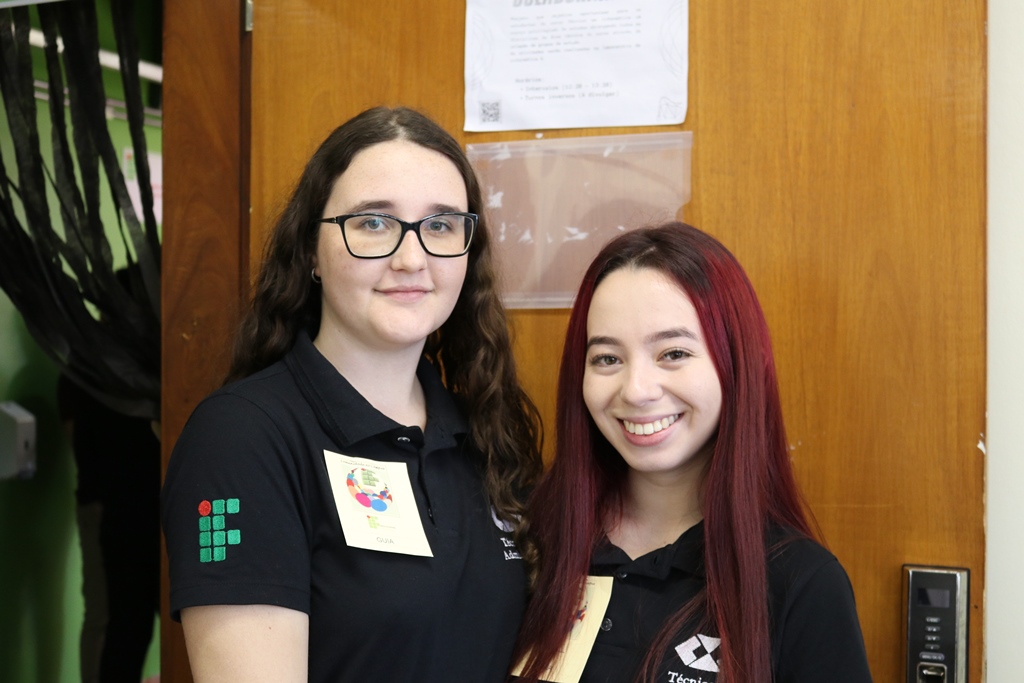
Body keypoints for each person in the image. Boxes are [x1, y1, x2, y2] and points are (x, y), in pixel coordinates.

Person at [161, 106, 543, 683]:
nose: (412, 259)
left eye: (441, 225)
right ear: (311, 251)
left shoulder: (486, 433)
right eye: (374, 222)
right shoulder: (240, 441)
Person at [511, 222, 872, 682]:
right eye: (607, 358)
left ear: (733, 363)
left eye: (673, 353)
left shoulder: (800, 583)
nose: (636, 390)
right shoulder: (527, 543)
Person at [57, 372, 161, 683]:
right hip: (109, 506)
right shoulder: (85, 371)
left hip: (139, 504)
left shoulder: (135, 365)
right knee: (115, 623)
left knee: (129, 625)